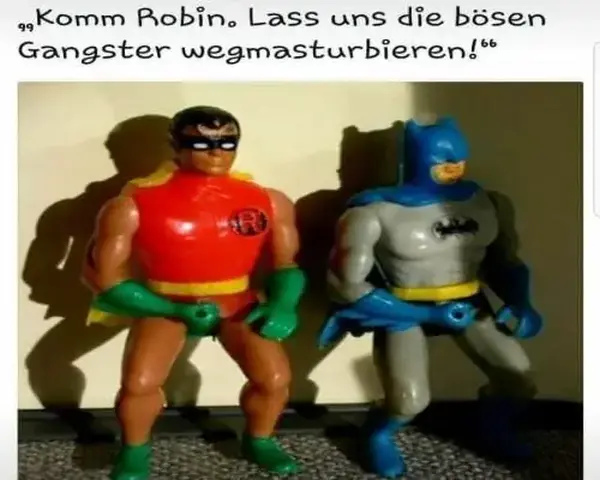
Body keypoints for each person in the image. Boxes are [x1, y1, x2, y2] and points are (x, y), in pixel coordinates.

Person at [82, 106, 306, 479]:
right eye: (201, 143)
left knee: (275, 379)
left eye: (227, 142)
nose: (216, 152)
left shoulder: (268, 199)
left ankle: (260, 439)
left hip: (236, 300)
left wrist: (284, 304)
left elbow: (287, 266)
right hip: (165, 302)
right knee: (139, 382)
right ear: (176, 145)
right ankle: (134, 448)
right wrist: (173, 309)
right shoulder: (131, 204)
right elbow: (107, 279)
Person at [319, 115, 543, 478]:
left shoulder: (487, 203)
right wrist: (425, 316)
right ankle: (377, 433)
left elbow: (505, 262)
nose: (454, 170)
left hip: (468, 302)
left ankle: (492, 425)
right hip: (403, 308)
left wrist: (521, 303)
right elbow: (346, 285)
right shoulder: (372, 213)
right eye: (443, 163)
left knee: (518, 379)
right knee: (408, 401)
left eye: (459, 162)